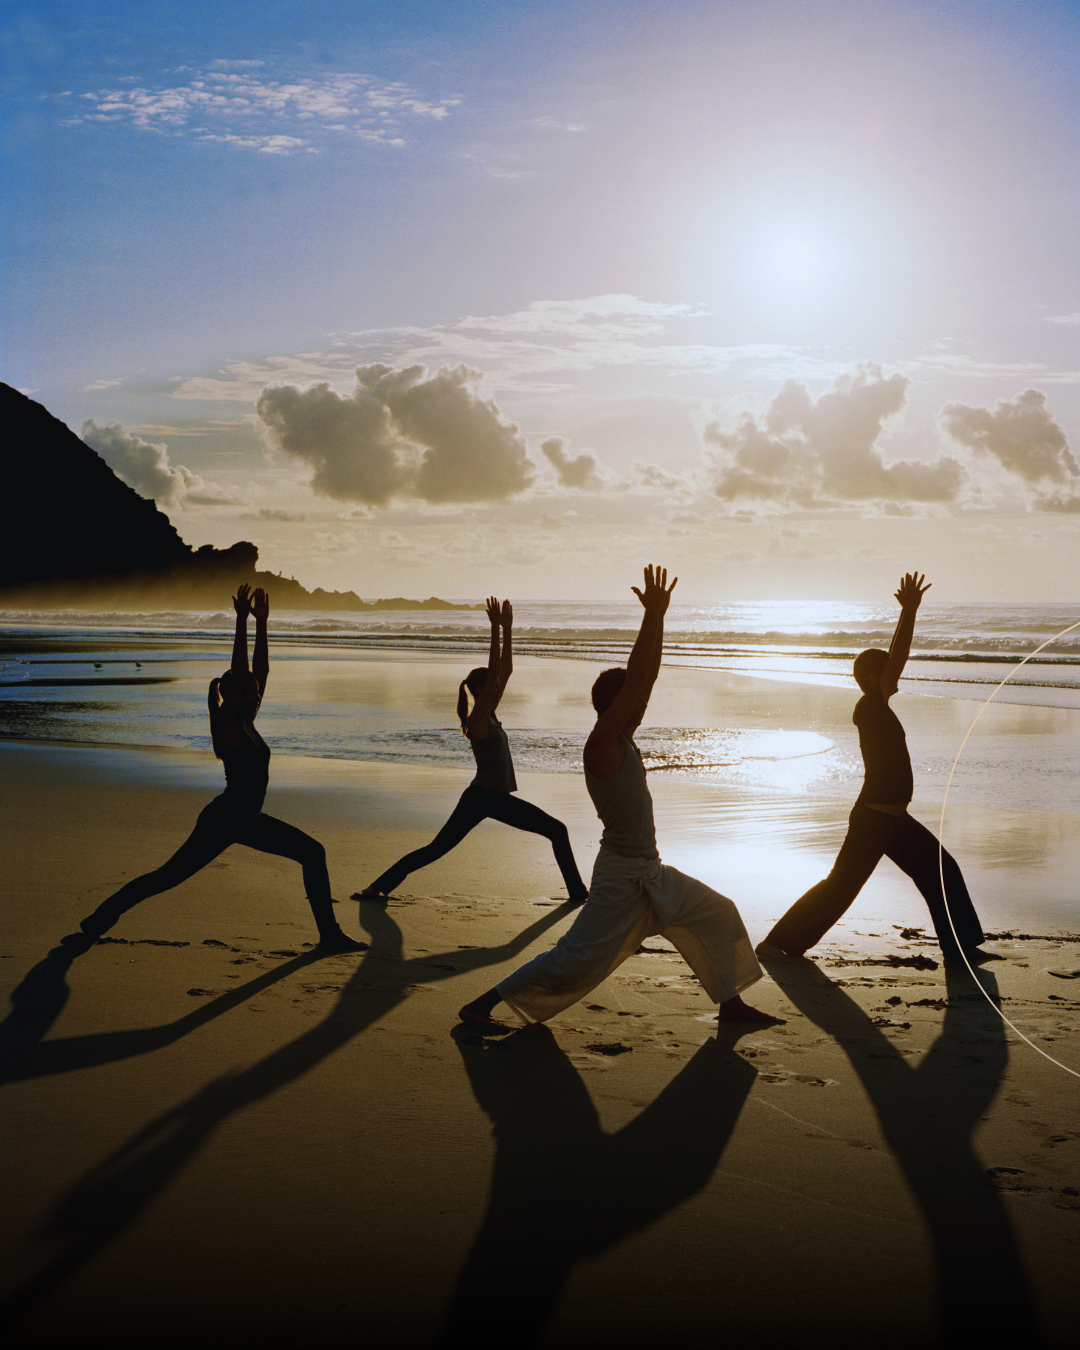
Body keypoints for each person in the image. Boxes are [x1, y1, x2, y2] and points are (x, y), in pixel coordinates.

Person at [459, 565, 776, 1028]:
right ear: (614, 705)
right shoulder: (602, 742)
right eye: (632, 700)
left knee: (718, 912)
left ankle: (731, 1006)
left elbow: (645, 677)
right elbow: (638, 682)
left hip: (651, 871)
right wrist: (649, 617)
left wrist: (659, 617)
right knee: (574, 958)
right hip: (620, 880)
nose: (643, 704)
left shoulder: (623, 738)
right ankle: (480, 1006)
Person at [61, 585, 365, 955]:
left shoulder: (247, 721)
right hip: (228, 818)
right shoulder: (227, 724)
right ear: (233, 693)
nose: (257, 695)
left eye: (257, 692)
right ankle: (95, 924)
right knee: (166, 878)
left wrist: (263, 624)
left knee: (310, 853)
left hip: (240, 816)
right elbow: (242, 671)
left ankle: (329, 935)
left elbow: (260, 670)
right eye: (250, 691)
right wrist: (239, 621)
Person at [757, 571, 997, 966]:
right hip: (873, 819)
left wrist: (908, 612)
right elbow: (898, 654)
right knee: (841, 886)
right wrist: (909, 612)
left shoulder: (879, 705)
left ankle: (961, 948)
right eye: (888, 671)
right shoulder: (869, 705)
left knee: (941, 871)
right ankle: (778, 944)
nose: (897, 673)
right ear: (875, 677)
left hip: (893, 820)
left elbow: (894, 659)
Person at [355, 596, 588, 904]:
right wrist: (493, 629)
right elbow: (495, 673)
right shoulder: (478, 718)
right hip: (483, 798)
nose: (499, 689)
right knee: (437, 849)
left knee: (555, 831)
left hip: (494, 798)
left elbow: (505, 671)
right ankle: (375, 889)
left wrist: (507, 629)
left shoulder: (489, 713)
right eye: (492, 687)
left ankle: (578, 893)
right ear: (480, 690)